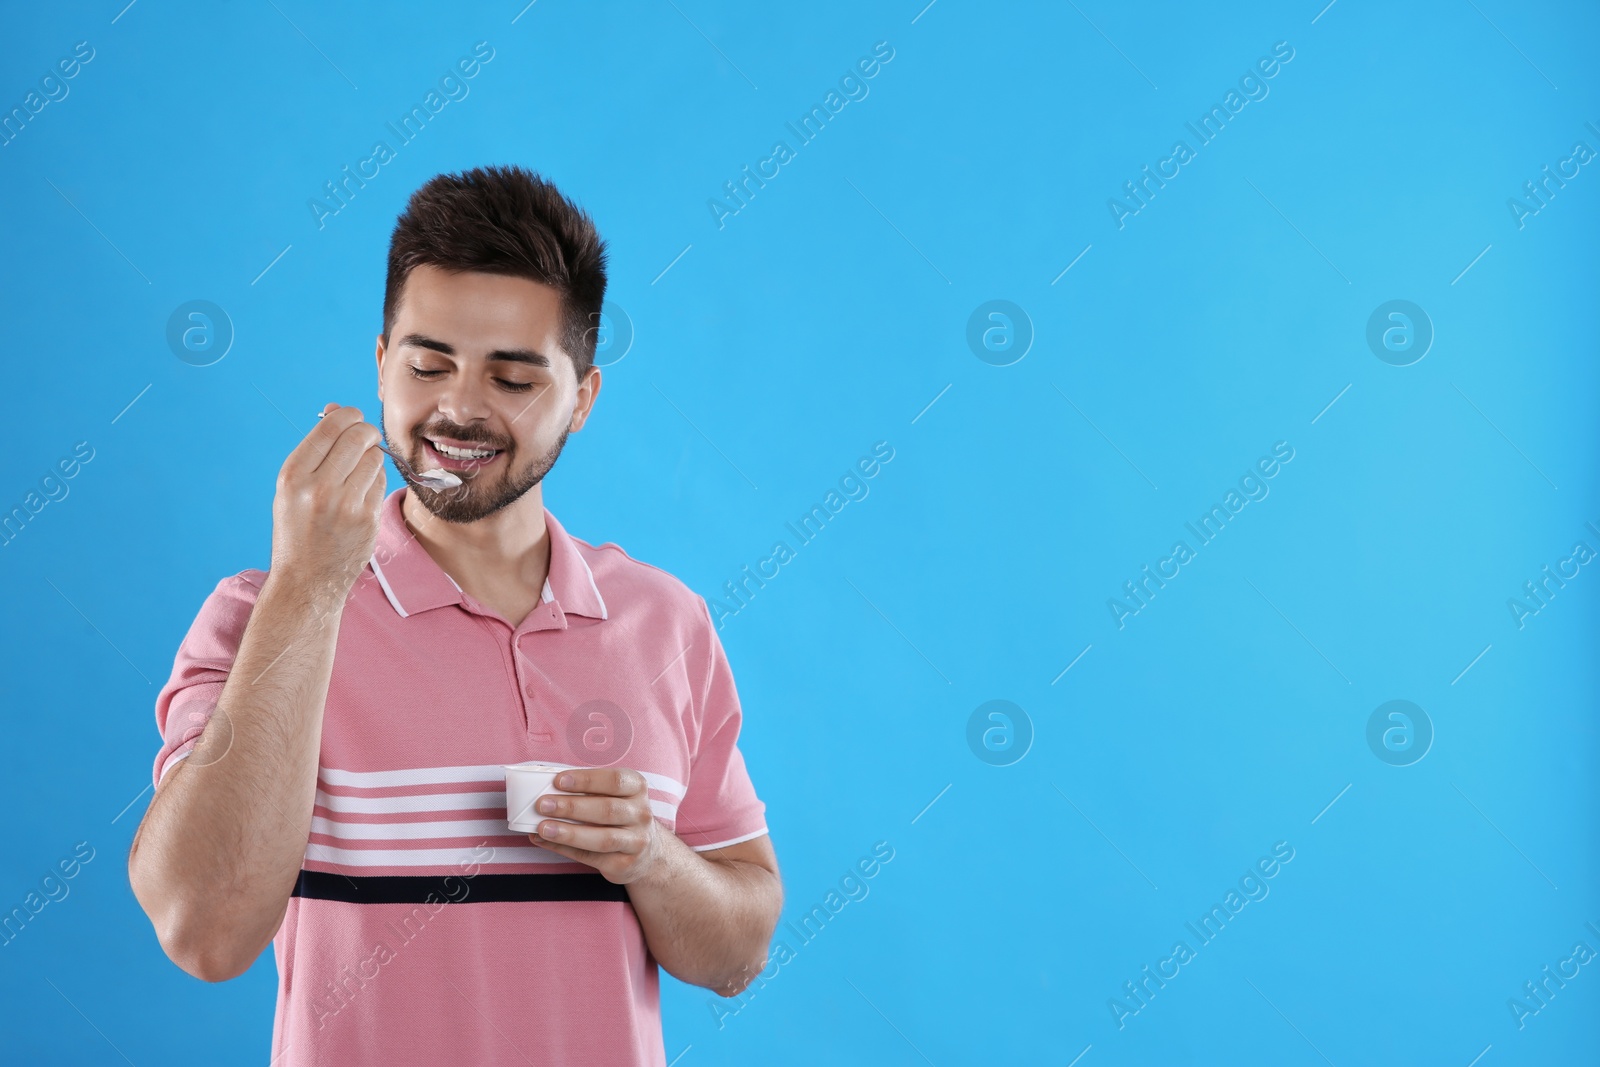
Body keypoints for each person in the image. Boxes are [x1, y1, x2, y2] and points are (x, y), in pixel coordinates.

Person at [128, 164, 783, 1066]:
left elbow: (738, 953)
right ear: (380, 363)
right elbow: (202, 931)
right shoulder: (258, 616)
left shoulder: (668, 624)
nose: (459, 409)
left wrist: (651, 858)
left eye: (513, 379)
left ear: (582, 399)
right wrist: (309, 592)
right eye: (428, 363)